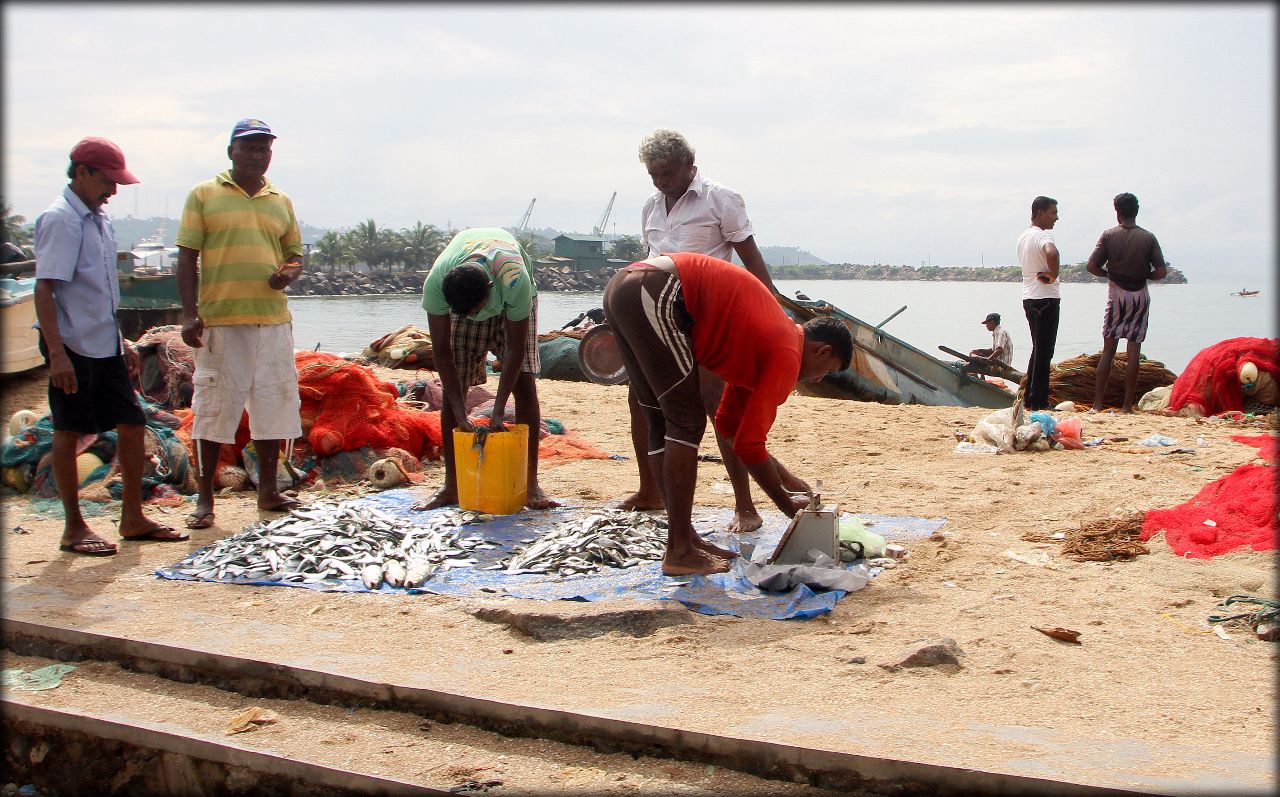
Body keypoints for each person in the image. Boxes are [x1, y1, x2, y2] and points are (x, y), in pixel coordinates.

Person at [604, 252, 852, 575]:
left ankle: (684, 539)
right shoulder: (787, 354)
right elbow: (749, 445)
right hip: (657, 289)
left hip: (625, 286)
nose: (818, 380)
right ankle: (679, 550)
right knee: (686, 421)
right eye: (826, 372)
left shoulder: (770, 340)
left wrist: (786, 479)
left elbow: (730, 426)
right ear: (823, 351)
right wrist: (786, 503)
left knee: (660, 420)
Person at [33, 136, 188, 555]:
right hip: (73, 346)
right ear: (81, 173)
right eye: (107, 181)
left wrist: (121, 340)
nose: (114, 191)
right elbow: (46, 290)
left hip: (104, 343)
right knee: (69, 429)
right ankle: (74, 527)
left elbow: (98, 291)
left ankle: (132, 516)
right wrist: (58, 354)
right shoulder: (61, 219)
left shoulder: (99, 220)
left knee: (132, 423)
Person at [624, 128, 777, 533]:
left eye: (669, 173)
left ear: (690, 166)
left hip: (709, 313)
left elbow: (751, 261)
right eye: (654, 175)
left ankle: (745, 505)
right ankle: (649, 490)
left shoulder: (720, 198)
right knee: (642, 401)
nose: (662, 181)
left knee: (718, 408)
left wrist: (769, 313)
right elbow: (653, 259)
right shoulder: (651, 208)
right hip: (658, 312)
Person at [177, 118, 306, 529]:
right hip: (222, 322)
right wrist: (188, 314)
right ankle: (204, 501)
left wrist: (287, 273)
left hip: (272, 322)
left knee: (274, 406)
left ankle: (268, 492)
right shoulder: (204, 194)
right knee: (214, 408)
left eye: (264, 148)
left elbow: (296, 254)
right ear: (231, 151)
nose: (257, 155)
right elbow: (186, 257)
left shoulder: (280, 200)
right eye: (249, 147)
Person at [413, 227, 559, 511]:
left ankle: (531, 485)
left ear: (490, 290)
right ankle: (451, 486)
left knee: (525, 384)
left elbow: (515, 352)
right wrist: (458, 411)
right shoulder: (436, 287)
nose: (472, 317)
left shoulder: (514, 280)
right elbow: (443, 356)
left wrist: (498, 410)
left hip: (512, 306)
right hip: (470, 294)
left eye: (474, 310)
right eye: (463, 313)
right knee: (457, 382)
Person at [1086, 192, 1168, 413]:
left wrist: (1108, 274)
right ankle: (1126, 406)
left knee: (1108, 352)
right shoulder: (1148, 238)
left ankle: (1097, 404)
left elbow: (1091, 266)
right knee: (1133, 353)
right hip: (1140, 296)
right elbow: (1161, 271)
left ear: (1117, 212)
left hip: (1116, 296)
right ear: (1136, 211)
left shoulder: (1109, 235)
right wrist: (1145, 276)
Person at [1016, 196, 1061, 411]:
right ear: (1040, 212)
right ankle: (1039, 401)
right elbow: (1052, 252)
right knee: (1045, 352)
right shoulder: (1042, 235)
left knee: (1038, 349)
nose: (1056, 217)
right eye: (1053, 213)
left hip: (1029, 297)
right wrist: (1053, 274)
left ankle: (1030, 398)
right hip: (1045, 298)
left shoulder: (1023, 237)